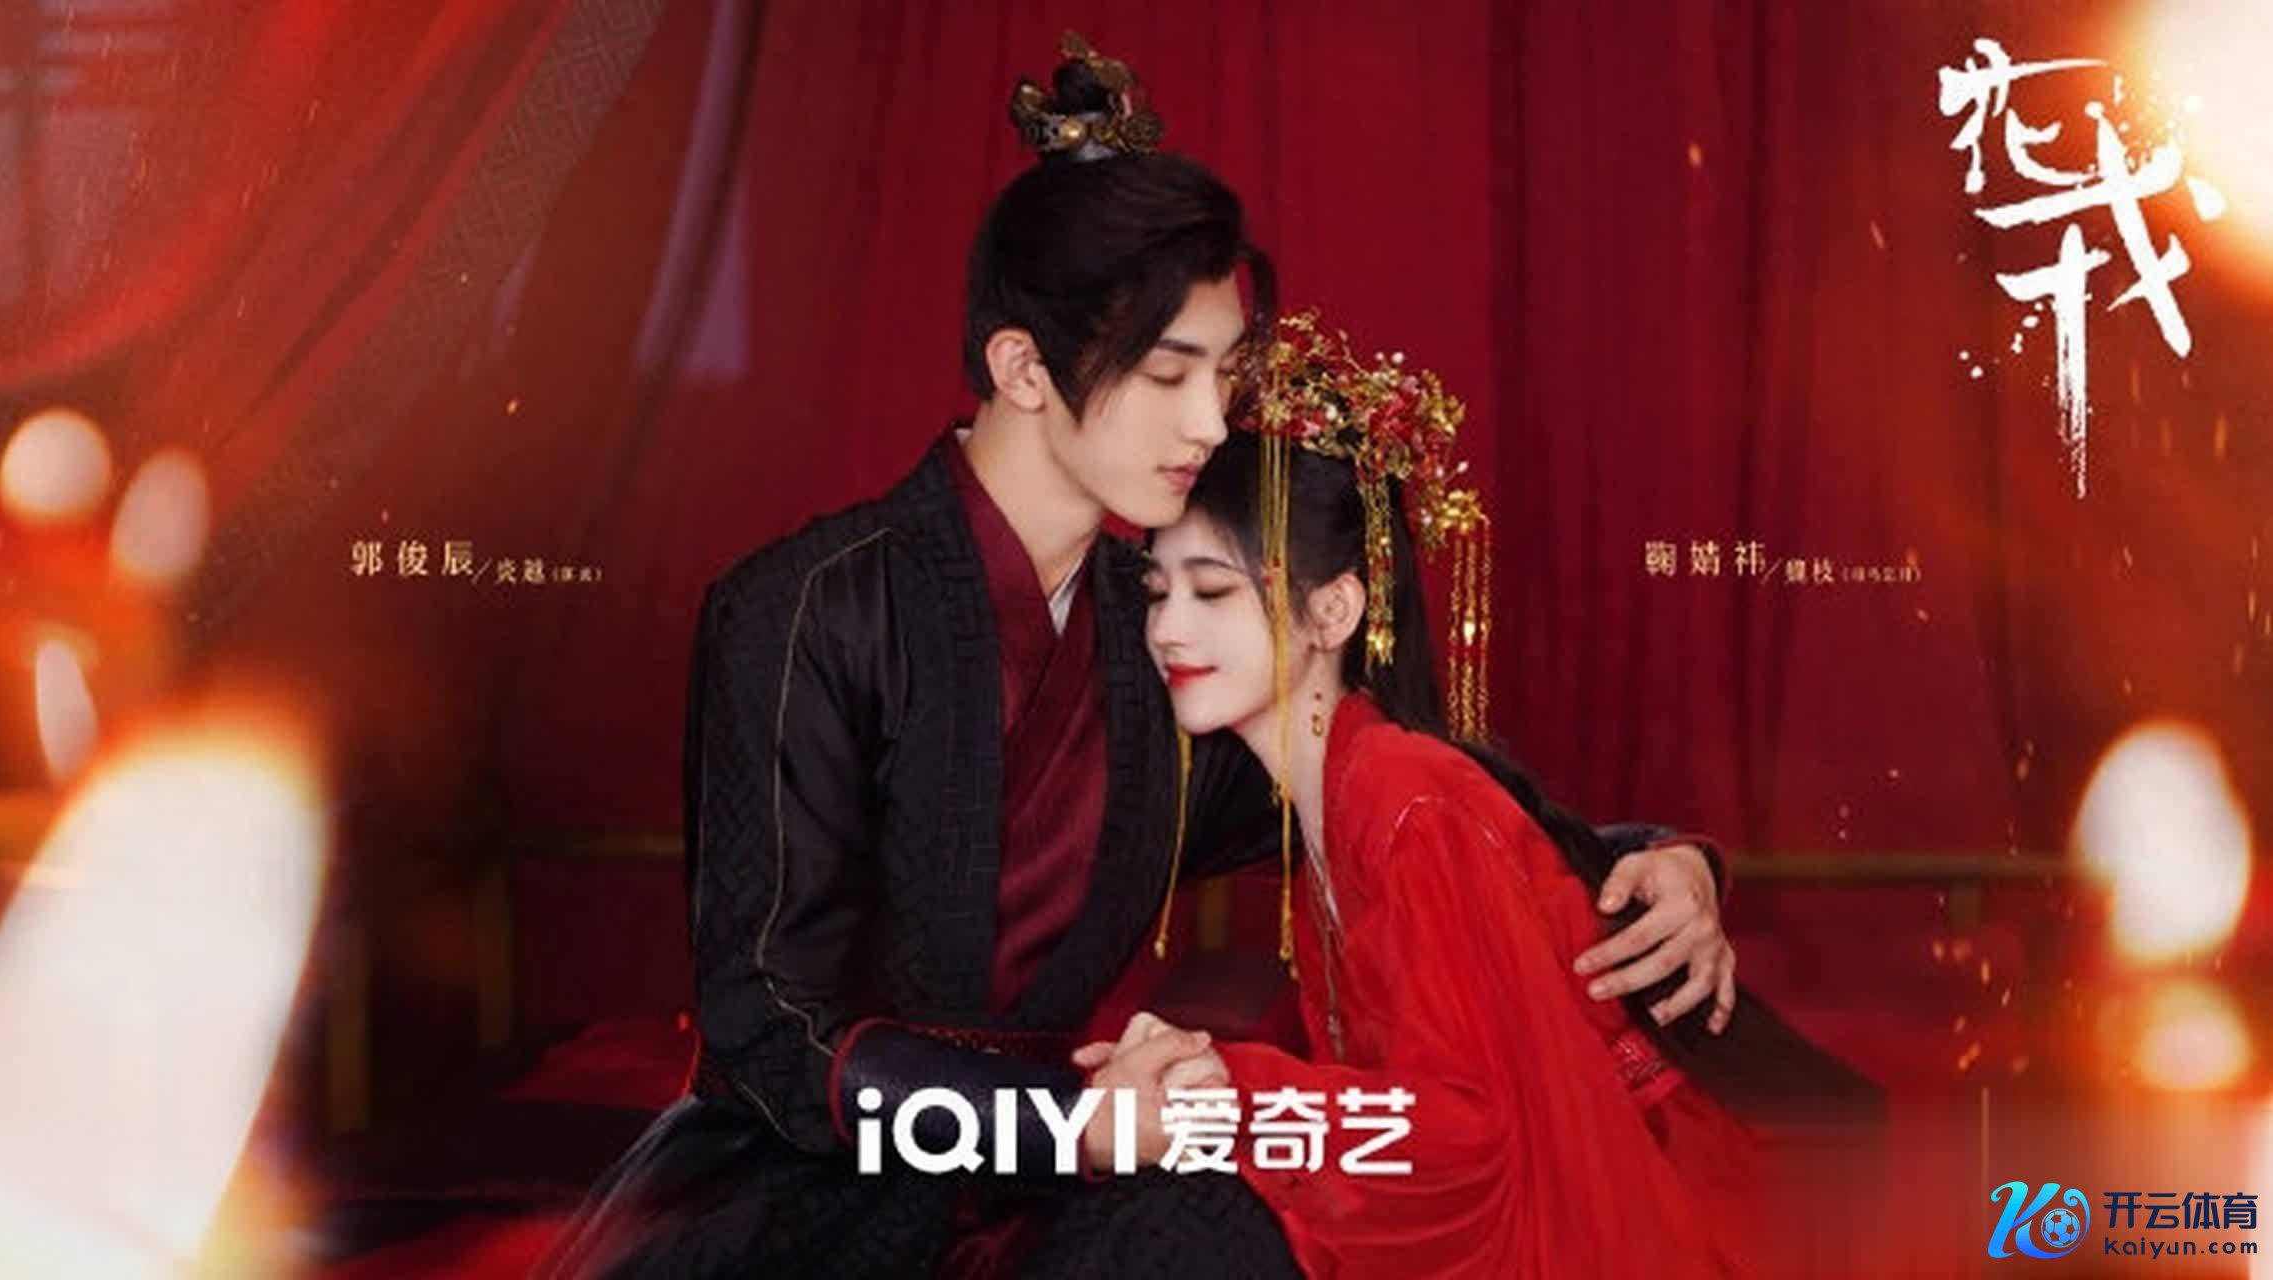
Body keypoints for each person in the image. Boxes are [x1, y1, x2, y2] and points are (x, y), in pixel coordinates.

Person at [544, 38, 1739, 1279]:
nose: (1212, 423)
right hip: (812, 1178)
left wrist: (1653, 859)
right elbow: (768, 1030)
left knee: (1224, 1227)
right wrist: (1065, 1123)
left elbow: (1371, 791)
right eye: (1170, 372)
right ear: (1021, 368)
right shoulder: (803, 609)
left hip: (1068, 1173)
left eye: (1225, 375)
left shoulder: (1155, 631)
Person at [1097, 312, 1879, 1277]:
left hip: (1640, 1202)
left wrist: (1226, 1092)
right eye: (1156, 591)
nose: (1168, 629)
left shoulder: (1407, 799)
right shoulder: (1332, 807)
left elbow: (1472, 1135)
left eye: (1211, 591)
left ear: (1332, 610)